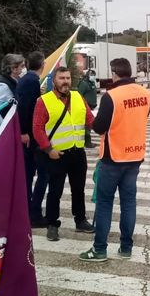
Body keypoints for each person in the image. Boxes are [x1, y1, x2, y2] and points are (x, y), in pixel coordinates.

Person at [78, 58, 150, 262]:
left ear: (115, 73)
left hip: (113, 158)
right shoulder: (146, 94)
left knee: (104, 204)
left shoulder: (112, 96)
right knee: (129, 203)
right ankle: (126, 248)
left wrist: (93, 119)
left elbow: (100, 127)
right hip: (135, 156)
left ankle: (99, 249)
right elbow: (142, 117)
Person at [32, 67, 96, 239]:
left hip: (77, 153)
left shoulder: (78, 97)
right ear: (54, 80)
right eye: (62, 78)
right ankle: (52, 224)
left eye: (68, 78)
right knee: (55, 190)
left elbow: (90, 119)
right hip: (57, 154)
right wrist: (48, 149)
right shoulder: (44, 101)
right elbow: (37, 129)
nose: (65, 81)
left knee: (78, 189)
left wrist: (106, 127)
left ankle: (80, 220)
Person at [16, 52, 48, 224]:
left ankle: (28, 210)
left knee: (30, 174)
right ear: (42, 65)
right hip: (29, 137)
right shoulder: (31, 82)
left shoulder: (28, 80)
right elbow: (24, 108)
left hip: (28, 136)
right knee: (36, 174)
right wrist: (23, 132)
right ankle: (32, 212)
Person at [0, 53, 25, 138]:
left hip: (10, 133)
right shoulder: (3, 86)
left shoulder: (14, 82)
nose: (24, 69)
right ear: (14, 69)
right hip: (1, 135)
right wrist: (3, 126)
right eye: (22, 66)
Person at [77, 69, 99, 148]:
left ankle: (86, 142)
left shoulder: (92, 83)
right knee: (87, 126)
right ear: (87, 75)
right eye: (92, 75)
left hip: (91, 107)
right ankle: (87, 142)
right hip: (85, 107)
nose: (93, 76)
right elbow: (78, 95)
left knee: (88, 125)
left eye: (94, 74)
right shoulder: (84, 84)